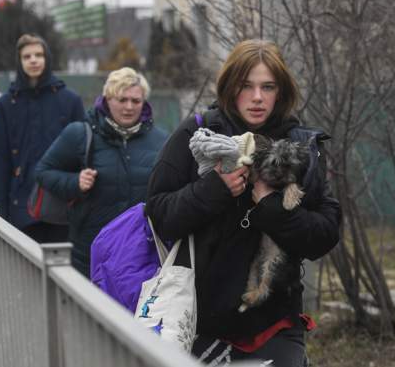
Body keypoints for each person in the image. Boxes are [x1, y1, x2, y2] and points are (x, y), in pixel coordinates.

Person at [145, 39, 341, 366]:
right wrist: (214, 189)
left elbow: (325, 234)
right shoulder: (199, 135)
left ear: (282, 92)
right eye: (246, 86)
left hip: (274, 323)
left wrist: (270, 206)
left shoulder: (300, 145)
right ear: (230, 87)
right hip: (198, 322)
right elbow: (159, 213)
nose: (257, 97)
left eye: (268, 87)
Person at [35, 67, 168, 277]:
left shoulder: (160, 140)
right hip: (89, 253)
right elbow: (43, 171)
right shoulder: (80, 133)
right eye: (121, 99)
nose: (129, 107)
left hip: (141, 254)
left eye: (136, 101)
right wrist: (75, 183)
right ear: (107, 99)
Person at [0, 34, 85, 242]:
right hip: (21, 208)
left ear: (47, 58)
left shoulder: (70, 100)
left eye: (39, 55)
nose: (33, 60)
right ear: (19, 61)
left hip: (63, 206)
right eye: (27, 56)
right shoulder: (5, 105)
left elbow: (84, 154)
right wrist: (0, 216)